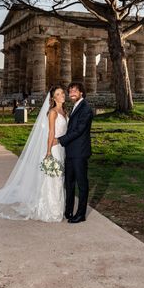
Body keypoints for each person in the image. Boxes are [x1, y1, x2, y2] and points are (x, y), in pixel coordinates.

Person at [0, 85, 67, 222]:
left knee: (59, 178)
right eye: (59, 94)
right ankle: (50, 210)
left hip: (61, 147)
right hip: (53, 148)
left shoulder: (64, 111)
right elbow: (50, 133)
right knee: (53, 178)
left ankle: (58, 208)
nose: (62, 95)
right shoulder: (53, 112)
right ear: (53, 98)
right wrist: (48, 152)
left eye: (62, 93)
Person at [55, 81, 93, 223]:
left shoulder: (86, 108)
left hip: (80, 152)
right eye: (70, 91)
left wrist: (60, 140)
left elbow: (79, 130)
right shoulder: (75, 107)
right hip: (71, 152)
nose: (71, 94)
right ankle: (69, 210)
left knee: (82, 184)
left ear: (81, 92)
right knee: (69, 183)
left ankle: (81, 214)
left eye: (74, 91)